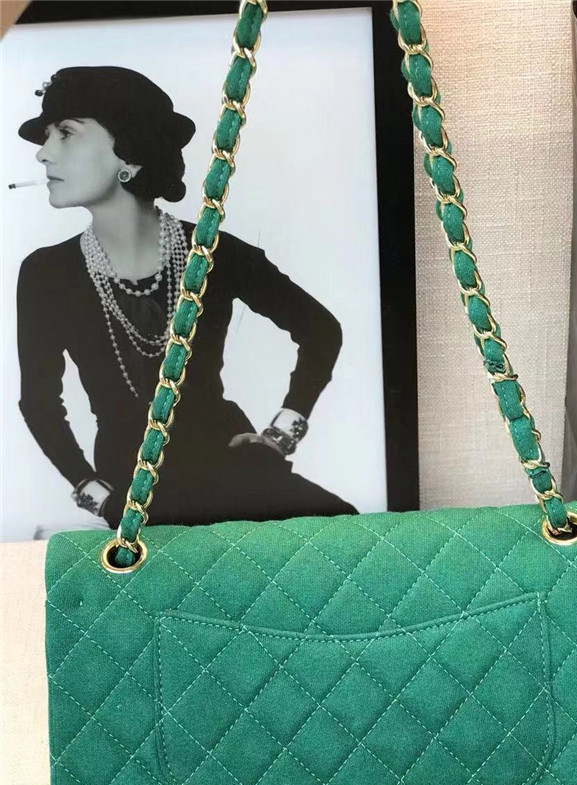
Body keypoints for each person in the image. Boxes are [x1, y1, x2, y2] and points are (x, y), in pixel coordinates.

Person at [16, 65, 357, 531]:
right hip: (136, 489)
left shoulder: (212, 251)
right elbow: (38, 402)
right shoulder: (47, 274)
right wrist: (94, 493)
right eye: (47, 137)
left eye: (66, 134)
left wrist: (280, 434)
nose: (43, 153)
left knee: (344, 529)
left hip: (237, 469)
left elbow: (320, 329)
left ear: (128, 154)